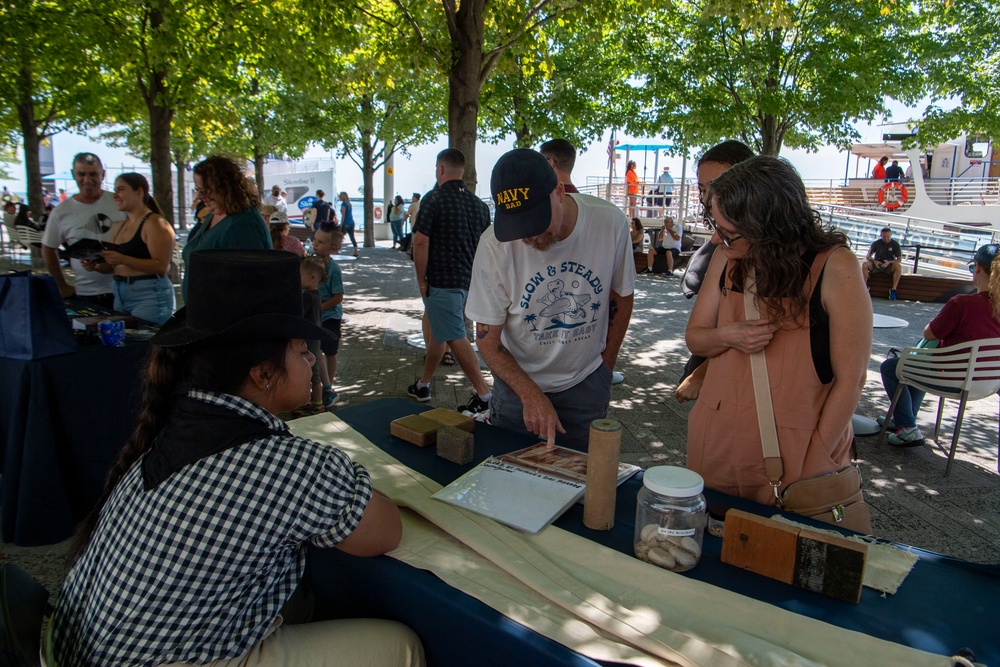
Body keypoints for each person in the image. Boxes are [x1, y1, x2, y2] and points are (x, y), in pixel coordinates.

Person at [52, 249, 424, 667]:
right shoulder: (287, 467)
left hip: (79, 649)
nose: (310, 362)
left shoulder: (172, 428)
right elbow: (385, 531)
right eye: (302, 349)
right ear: (262, 373)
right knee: (400, 646)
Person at [685, 156, 871, 506]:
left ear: (769, 228)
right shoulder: (728, 257)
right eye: (715, 224)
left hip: (796, 454)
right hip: (718, 443)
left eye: (728, 233)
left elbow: (852, 380)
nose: (716, 238)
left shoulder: (835, 265)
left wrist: (817, 457)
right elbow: (695, 337)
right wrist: (729, 335)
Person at [467, 148, 635, 449]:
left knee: (584, 481)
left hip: (586, 383)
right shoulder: (493, 246)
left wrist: (605, 367)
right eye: (516, 226)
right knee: (511, 478)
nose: (527, 237)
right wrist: (529, 394)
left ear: (559, 190)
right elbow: (487, 340)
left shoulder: (609, 223)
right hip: (516, 389)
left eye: (534, 220)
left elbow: (621, 296)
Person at [878, 244, 1000, 447]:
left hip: (952, 378)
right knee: (917, 365)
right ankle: (904, 419)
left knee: (893, 367)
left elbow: (930, 333)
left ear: (977, 268)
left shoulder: (962, 303)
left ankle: (907, 427)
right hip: (989, 383)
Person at [408, 149, 493, 414]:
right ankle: (423, 384)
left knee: (455, 336)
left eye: (436, 169)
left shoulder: (433, 200)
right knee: (438, 333)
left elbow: (420, 242)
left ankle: (485, 395)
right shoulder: (479, 206)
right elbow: (486, 246)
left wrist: (421, 280)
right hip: (469, 281)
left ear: (441, 169)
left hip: (442, 281)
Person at [540, 138, 628, 386]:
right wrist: (606, 363)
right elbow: (620, 293)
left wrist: (605, 367)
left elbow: (623, 294)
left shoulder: (606, 216)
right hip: (587, 370)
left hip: (560, 372)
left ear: (549, 163)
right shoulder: (609, 216)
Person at [675, 140, 756, 403]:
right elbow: (696, 335)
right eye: (703, 189)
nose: (709, 198)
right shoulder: (722, 244)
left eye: (718, 186)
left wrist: (702, 372)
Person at [41, 152, 125, 307]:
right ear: (74, 175)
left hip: (124, 289)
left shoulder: (120, 203)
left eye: (93, 174)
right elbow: (48, 248)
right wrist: (61, 285)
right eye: (81, 174)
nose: (87, 180)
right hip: (86, 294)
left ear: (103, 175)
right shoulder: (61, 211)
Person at [183, 155, 271, 302]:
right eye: (198, 189)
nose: (199, 195)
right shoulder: (217, 213)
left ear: (226, 188)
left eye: (206, 190)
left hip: (225, 321)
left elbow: (248, 287)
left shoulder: (243, 225)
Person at [98, 173, 177, 325]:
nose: (115, 196)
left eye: (121, 189)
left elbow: (161, 266)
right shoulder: (118, 226)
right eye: (115, 190)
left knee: (146, 345)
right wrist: (97, 265)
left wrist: (123, 259)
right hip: (119, 293)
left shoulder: (155, 223)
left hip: (149, 295)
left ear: (139, 192)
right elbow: (116, 266)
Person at [312, 226, 345, 408]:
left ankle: (329, 387)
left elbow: (338, 297)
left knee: (330, 352)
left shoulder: (334, 269)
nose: (315, 244)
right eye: (315, 239)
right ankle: (326, 387)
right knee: (315, 350)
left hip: (330, 317)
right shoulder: (309, 262)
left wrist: (319, 307)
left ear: (333, 247)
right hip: (314, 316)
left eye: (321, 242)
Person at [294, 255, 330, 417]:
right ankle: (313, 402)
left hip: (308, 340)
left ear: (313, 277)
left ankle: (316, 404)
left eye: (300, 275)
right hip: (314, 339)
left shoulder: (307, 297)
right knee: (312, 372)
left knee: (311, 373)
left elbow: (298, 315)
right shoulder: (316, 295)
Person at [862, 227, 902, 300]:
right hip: (877, 264)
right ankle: (865, 286)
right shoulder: (876, 243)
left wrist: (889, 262)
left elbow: (899, 260)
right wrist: (874, 261)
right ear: (881, 235)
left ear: (891, 235)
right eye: (884, 237)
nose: (886, 239)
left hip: (889, 264)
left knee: (898, 267)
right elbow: (868, 256)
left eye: (888, 237)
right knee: (865, 264)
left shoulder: (895, 244)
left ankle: (893, 289)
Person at [338, 191, 359, 257]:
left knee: (340, 237)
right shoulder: (349, 204)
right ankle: (355, 251)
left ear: (343, 196)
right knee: (352, 237)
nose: (339, 197)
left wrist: (341, 224)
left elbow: (343, 215)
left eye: (340, 196)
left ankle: (336, 250)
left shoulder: (343, 204)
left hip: (346, 223)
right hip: (351, 222)